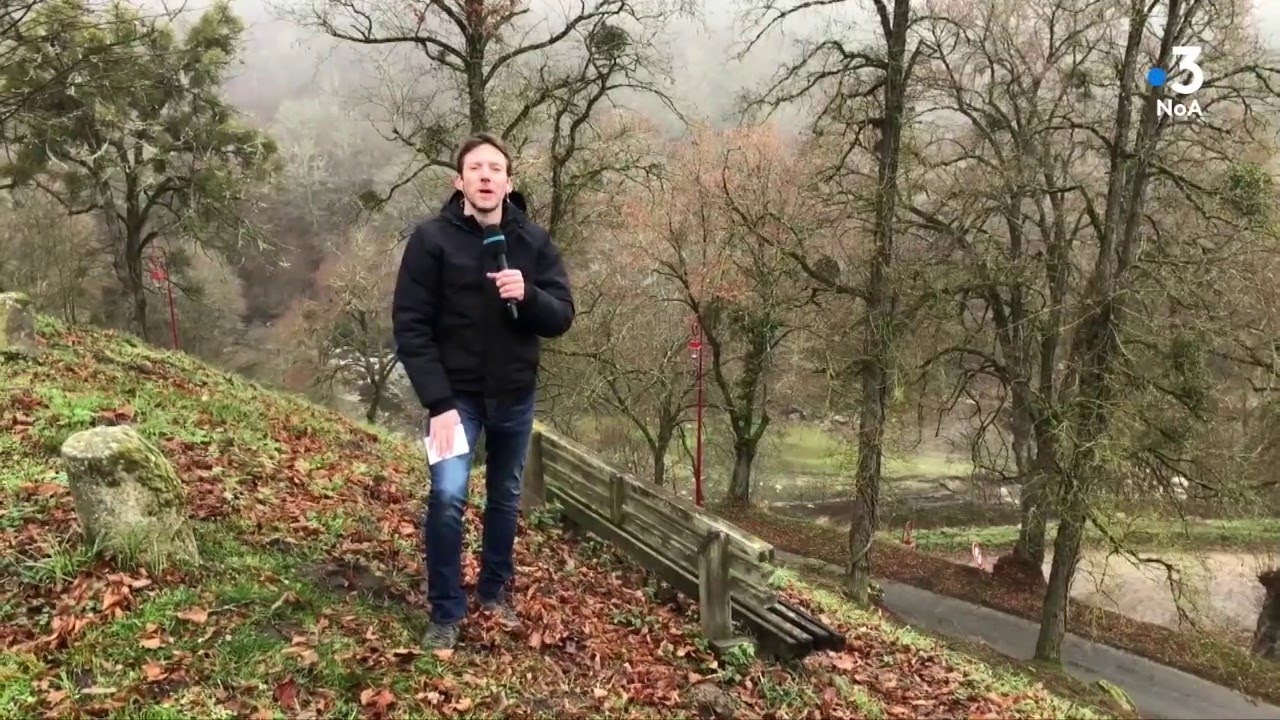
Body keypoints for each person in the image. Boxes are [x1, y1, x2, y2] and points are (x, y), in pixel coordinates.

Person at [392, 132, 575, 649]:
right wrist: (439, 405)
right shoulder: (430, 241)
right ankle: (446, 611)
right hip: (454, 402)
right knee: (448, 495)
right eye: (476, 169)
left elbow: (561, 316)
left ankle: (495, 592)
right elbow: (410, 327)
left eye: (496, 168)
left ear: (509, 182)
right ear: (460, 181)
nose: (487, 176)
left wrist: (531, 294)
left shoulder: (534, 242)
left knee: (505, 497)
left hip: (515, 398)